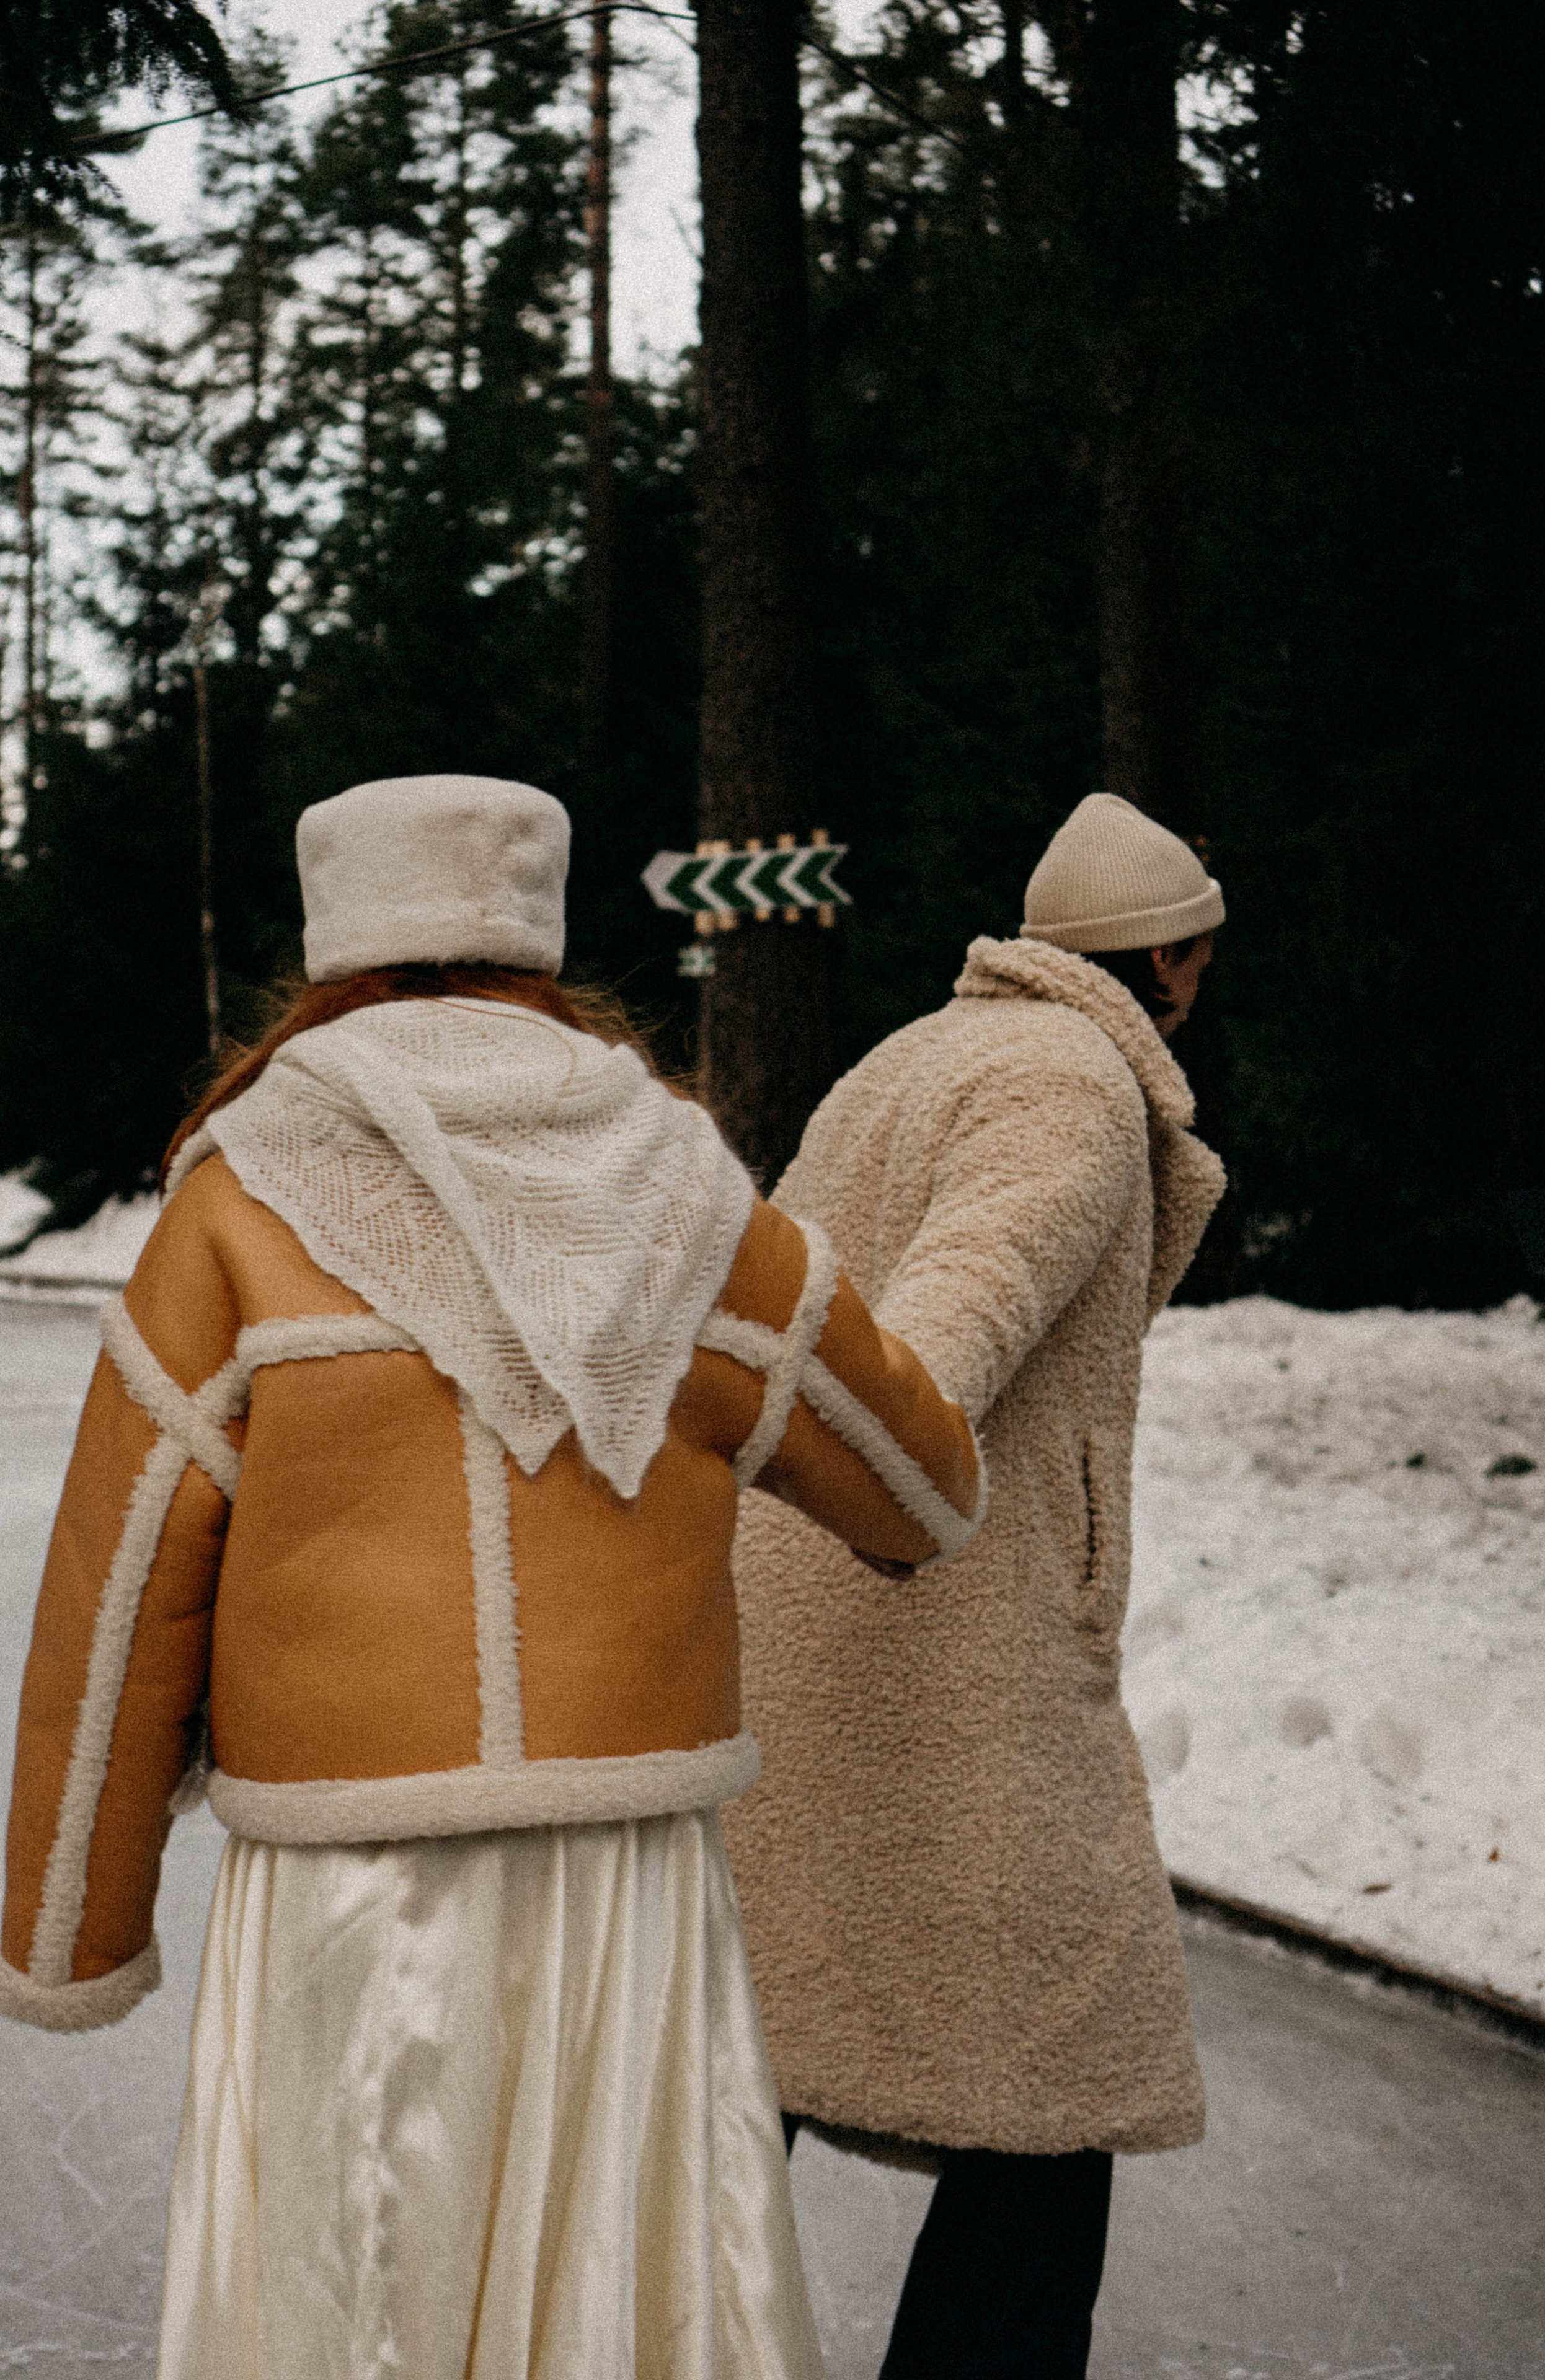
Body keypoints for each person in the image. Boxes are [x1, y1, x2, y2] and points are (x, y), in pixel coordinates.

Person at [0, 774, 988, 2380]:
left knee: (353, 2301)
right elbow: (920, 1492)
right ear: (534, 932)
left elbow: (119, 1590)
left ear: (336, 941)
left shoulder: (240, 1195)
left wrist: (70, 1926)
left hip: (345, 1890)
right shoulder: (682, 1184)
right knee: (625, 2307)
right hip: (622, 1892)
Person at [722, 790, 1228, 2378]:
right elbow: (934, 1343)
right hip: (950, 1630)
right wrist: (896, 1511)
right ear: (1170, 961)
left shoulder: (898, 1061)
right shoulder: (1072, 1089)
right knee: (1047, 2072)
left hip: (799, 1616)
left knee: (772, 2050)